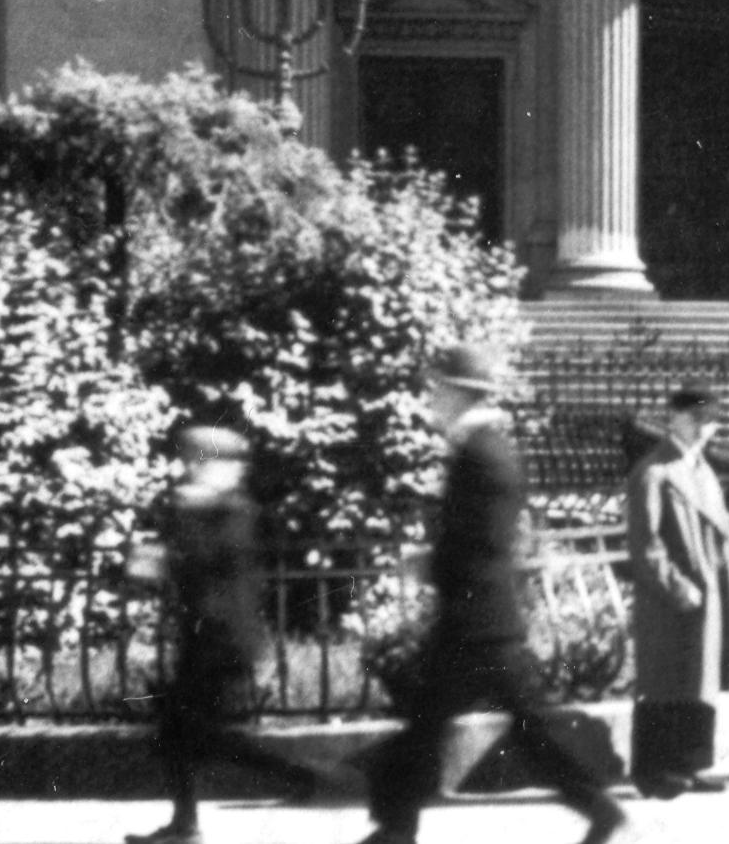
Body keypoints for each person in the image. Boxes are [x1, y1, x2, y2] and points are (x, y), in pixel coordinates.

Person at [362, 341, 623, 844]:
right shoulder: (478, 448)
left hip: (477, 622)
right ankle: (395, 830)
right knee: (437, 727)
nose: (431, 398)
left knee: (513, 732)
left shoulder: (482, 454)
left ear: (460, 392)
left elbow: (480, 544)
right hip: (477, 620)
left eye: (437, 388)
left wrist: (427, 563)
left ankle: (600, 809)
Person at [130, 423, 332, 843]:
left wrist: (169, 551)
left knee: (198, 734)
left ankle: (300, 778)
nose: (188, 470)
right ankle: (191, 822)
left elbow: (211, 567)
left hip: (222, 642)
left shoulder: (231, 510)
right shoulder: (211, 508)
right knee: (195, 734)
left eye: (195, 462)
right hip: (208, 639)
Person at [623, 382, 729, 799]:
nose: (704, 429)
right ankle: (652, 773)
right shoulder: (654, 472)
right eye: (696, 419)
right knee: (664, 681)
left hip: (711, 591)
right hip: (671, 597)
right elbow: (646, 544)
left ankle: (691, 764)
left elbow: (724, 529)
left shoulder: (701, 470)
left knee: (700, 679)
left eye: (711, 421)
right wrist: (677, 586)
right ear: (675, 418)